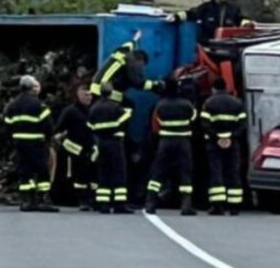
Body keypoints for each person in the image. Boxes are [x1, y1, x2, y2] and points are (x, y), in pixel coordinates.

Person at [4, 75, 59, 213]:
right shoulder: (39, 105)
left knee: (25, 172)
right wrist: (48, 139)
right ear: (31, 88)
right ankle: (43, 200)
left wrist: (15, 138)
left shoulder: (12, 105)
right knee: (42, 172)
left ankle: (27, 201)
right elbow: (49, 126)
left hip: (19, 145)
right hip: (36, 144)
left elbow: (8, 125)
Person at [144, 78, 198, 216]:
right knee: (185, 172)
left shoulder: (160, 106)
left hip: (165, 142)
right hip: (183, 141)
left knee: (158, 171)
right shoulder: (187, 104)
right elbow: (193, 119)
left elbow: (155, 126)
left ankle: (150, 203)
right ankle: (186, 205)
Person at [200, 78, 247, 215]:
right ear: (226, 87)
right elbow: (243, 124)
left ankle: (217, 206)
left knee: (216, 172)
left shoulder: (209, 103)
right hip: (233, 144)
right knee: (233, 172)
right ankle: (235, 207)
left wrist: (218, 137)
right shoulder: (237, 103)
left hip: (214, 144)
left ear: (214, 88)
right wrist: (230, 137)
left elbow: (204, 124)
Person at [87, 83, 133, 214]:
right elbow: (126, 118)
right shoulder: (115, 107)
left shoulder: (94, 108)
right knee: (119, 172)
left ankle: (103, 204)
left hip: (101, 143)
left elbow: (90, 126)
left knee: (103, 173)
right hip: (115, 142)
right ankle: (120, 205)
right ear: (111, 92)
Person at [54, 83, 98, 211]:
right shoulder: (70, 111)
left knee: (92, 176)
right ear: (78, 95)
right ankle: (80, 200)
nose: (88, 98)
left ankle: (93, 199)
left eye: (90, 95)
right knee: (77, 176)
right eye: (85, 95)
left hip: (91, 150)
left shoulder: (94, 110)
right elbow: (59, 130)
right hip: (74, 150)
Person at [90, 30, 163, 105]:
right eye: (143, 65)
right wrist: (155, 86)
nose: (142, 68)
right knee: (129, 106)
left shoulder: (122, 52)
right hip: (105, 91)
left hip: (94, 87)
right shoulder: (133, 63)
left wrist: (135, 38)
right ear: (141, 61)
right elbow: (137, 82)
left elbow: (128, 45)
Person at [166, 0, 250, 44]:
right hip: (208, 44)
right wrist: (176, 17)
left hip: (227, 45)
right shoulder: (206, 7)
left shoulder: (232, 8)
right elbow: (192, 13)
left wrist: (247, 23)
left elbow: (240, 19)